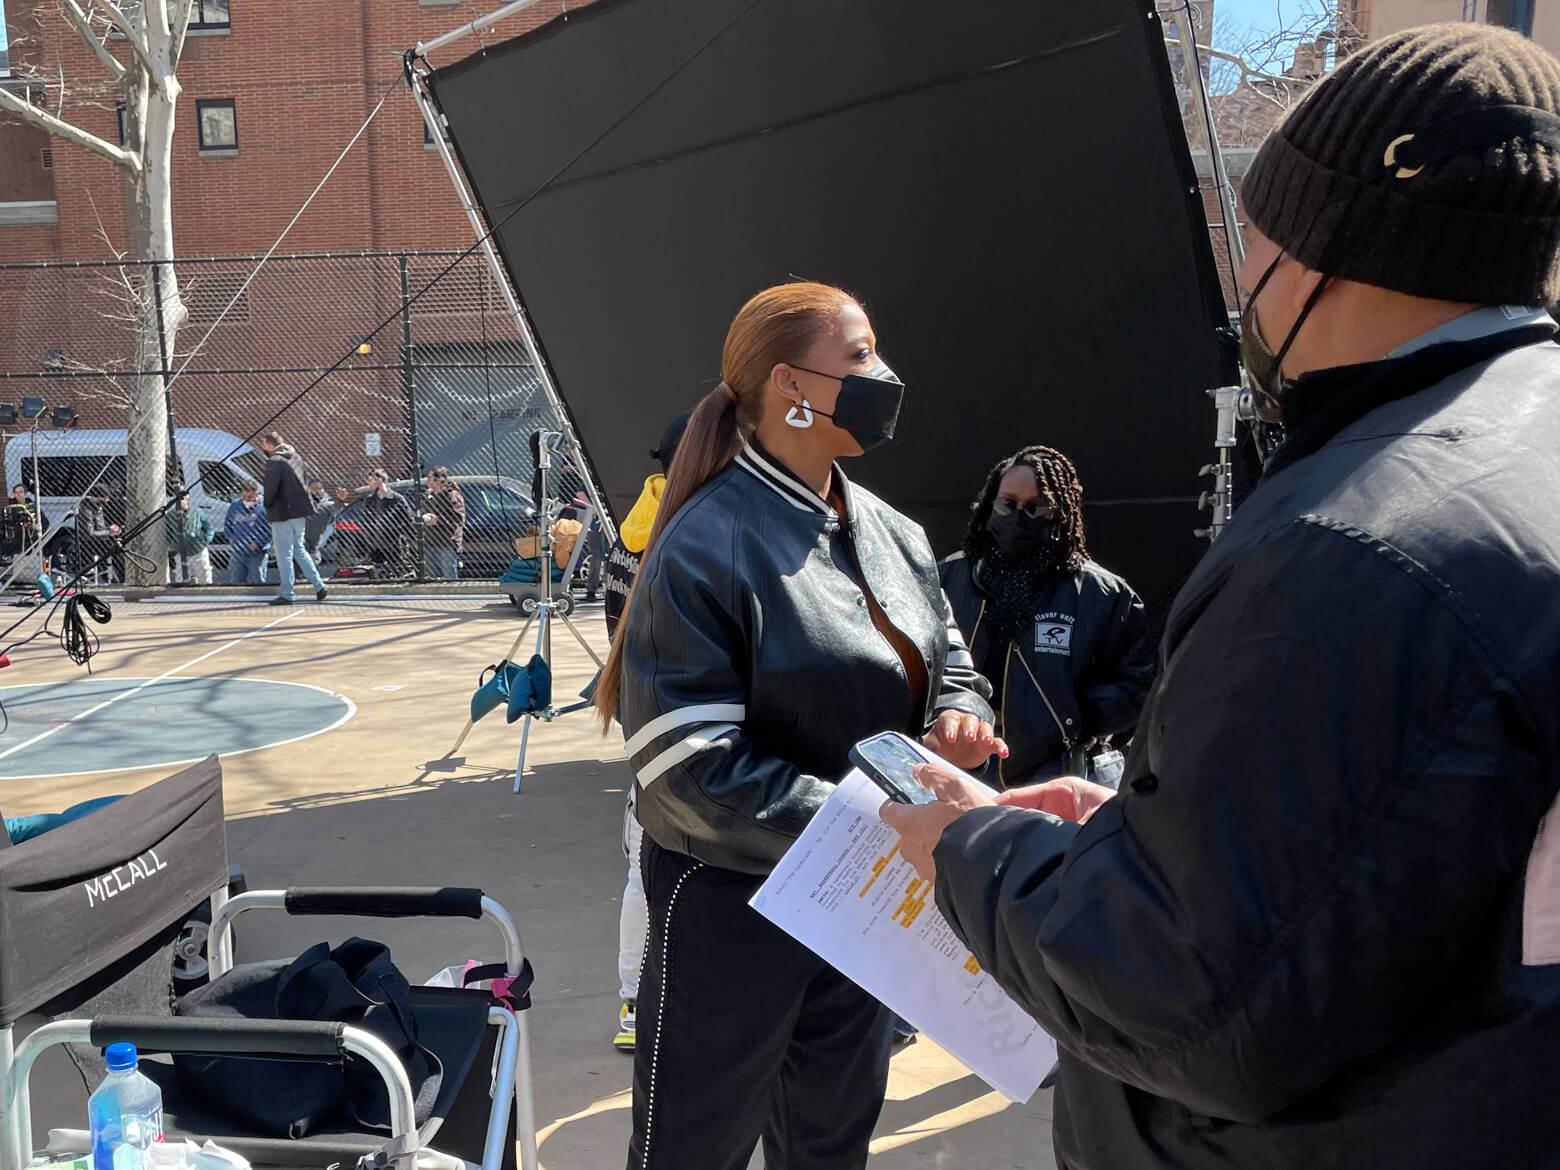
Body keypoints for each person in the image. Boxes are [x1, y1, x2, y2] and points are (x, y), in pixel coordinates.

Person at [879, 25, 1560, 1170]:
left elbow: (1181, 998)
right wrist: (1152, 836)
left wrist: (969, 851)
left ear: (1324, 251)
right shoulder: (1511, 454)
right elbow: (1384, 858)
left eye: (1251, 235)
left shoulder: (1359, 546)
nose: (1243, 278)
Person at [595, 282, 1002, 1170]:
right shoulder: (703, 541)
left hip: (861, 902)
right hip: (731, 909)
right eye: (859, 356)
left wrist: (961, 713)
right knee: (689, 1151)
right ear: (793, 385)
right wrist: (879, 823)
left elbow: (949, 656)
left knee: (831, 1140)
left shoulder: (891, 530)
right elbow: (686, 770)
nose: (883, 374)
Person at [940, 445, 1153, 789]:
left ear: (1059, 513)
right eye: (1007, 504)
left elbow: (1137, 682)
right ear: (989, 505)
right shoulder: (950, 577)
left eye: (1036, 507)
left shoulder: (1104, 594)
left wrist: (1076, 718)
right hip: (962, 766)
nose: (1018, 516)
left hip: (1056, 772)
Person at [600, 409, 689, 1053]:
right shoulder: (689, 533)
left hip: (645, 727)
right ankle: (637, 998)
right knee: (652, 868)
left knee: (643, 864)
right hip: (686, 731)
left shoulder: (629, 535)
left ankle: (636, 997)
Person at [260, 431, 328, 605]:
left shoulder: (274, 461)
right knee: (299, 549)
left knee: (284, 555)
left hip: (282, 513)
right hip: (299, 513)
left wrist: (267, 504)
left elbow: (270, 489)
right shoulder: (295, 457)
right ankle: (319, 586)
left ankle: (287, 593)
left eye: (264, 445)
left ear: (269, 445)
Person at [336, 469, 415, 572]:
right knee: (377, 572)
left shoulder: (397, 499)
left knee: (396, 570)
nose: (369, 484)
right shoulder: (370, 500)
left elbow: (408, 520)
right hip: (375, 544)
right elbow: (366, 521)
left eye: (371, 480)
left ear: (380, 480)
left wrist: (411, 539)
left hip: (393, 543)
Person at [418, 466, 466, 580]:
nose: (427, 480)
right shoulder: (428, 495)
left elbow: (459, 518)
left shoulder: (452, 495)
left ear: (438, 480)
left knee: (449, 576)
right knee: (432, 577)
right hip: (430, 541)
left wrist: (438, 520)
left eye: (430, 477)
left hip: (447, 541)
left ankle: (452, 596)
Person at [223, 480, 270, 586]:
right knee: (236, 581)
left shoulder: (264, 507)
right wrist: (231, 538)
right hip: (238, 551)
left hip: (257, 553)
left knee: (258, 582)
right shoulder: (235, 506)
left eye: (250, 497)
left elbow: (269, 530)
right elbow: (227, 525)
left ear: (256, 493)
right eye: (245, 497)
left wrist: (258, 543)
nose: (247, 500)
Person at [165, 493, 214, 584]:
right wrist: (173, 545)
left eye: (184, 498)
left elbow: (209, 528)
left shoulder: (197, 512)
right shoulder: (170, 515)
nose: (182, 501)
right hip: (180, 551)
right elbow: (167, 533)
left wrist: (205, 541)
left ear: (188, 499)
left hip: (198, 550)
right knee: (181, 578)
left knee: (204, 575)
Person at [74, 486, 121, 581]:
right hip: (89, 544)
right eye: (103, 499)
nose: (105, 502)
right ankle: (117, 577)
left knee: (120, 545)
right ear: (96, 497)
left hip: (101, 541)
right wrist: (108, 533)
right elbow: (89, 533)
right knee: (118, 552)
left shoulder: (98, 507)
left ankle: (117, 577)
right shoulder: (86, 509)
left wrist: (110, 529)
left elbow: (100, 527)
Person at [304, 477, 340, 558]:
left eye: (320, 488)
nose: (318, 491)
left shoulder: (327, 503)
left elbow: (335, 508)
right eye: (314, 489)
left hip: (318, 540)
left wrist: (340, 501)